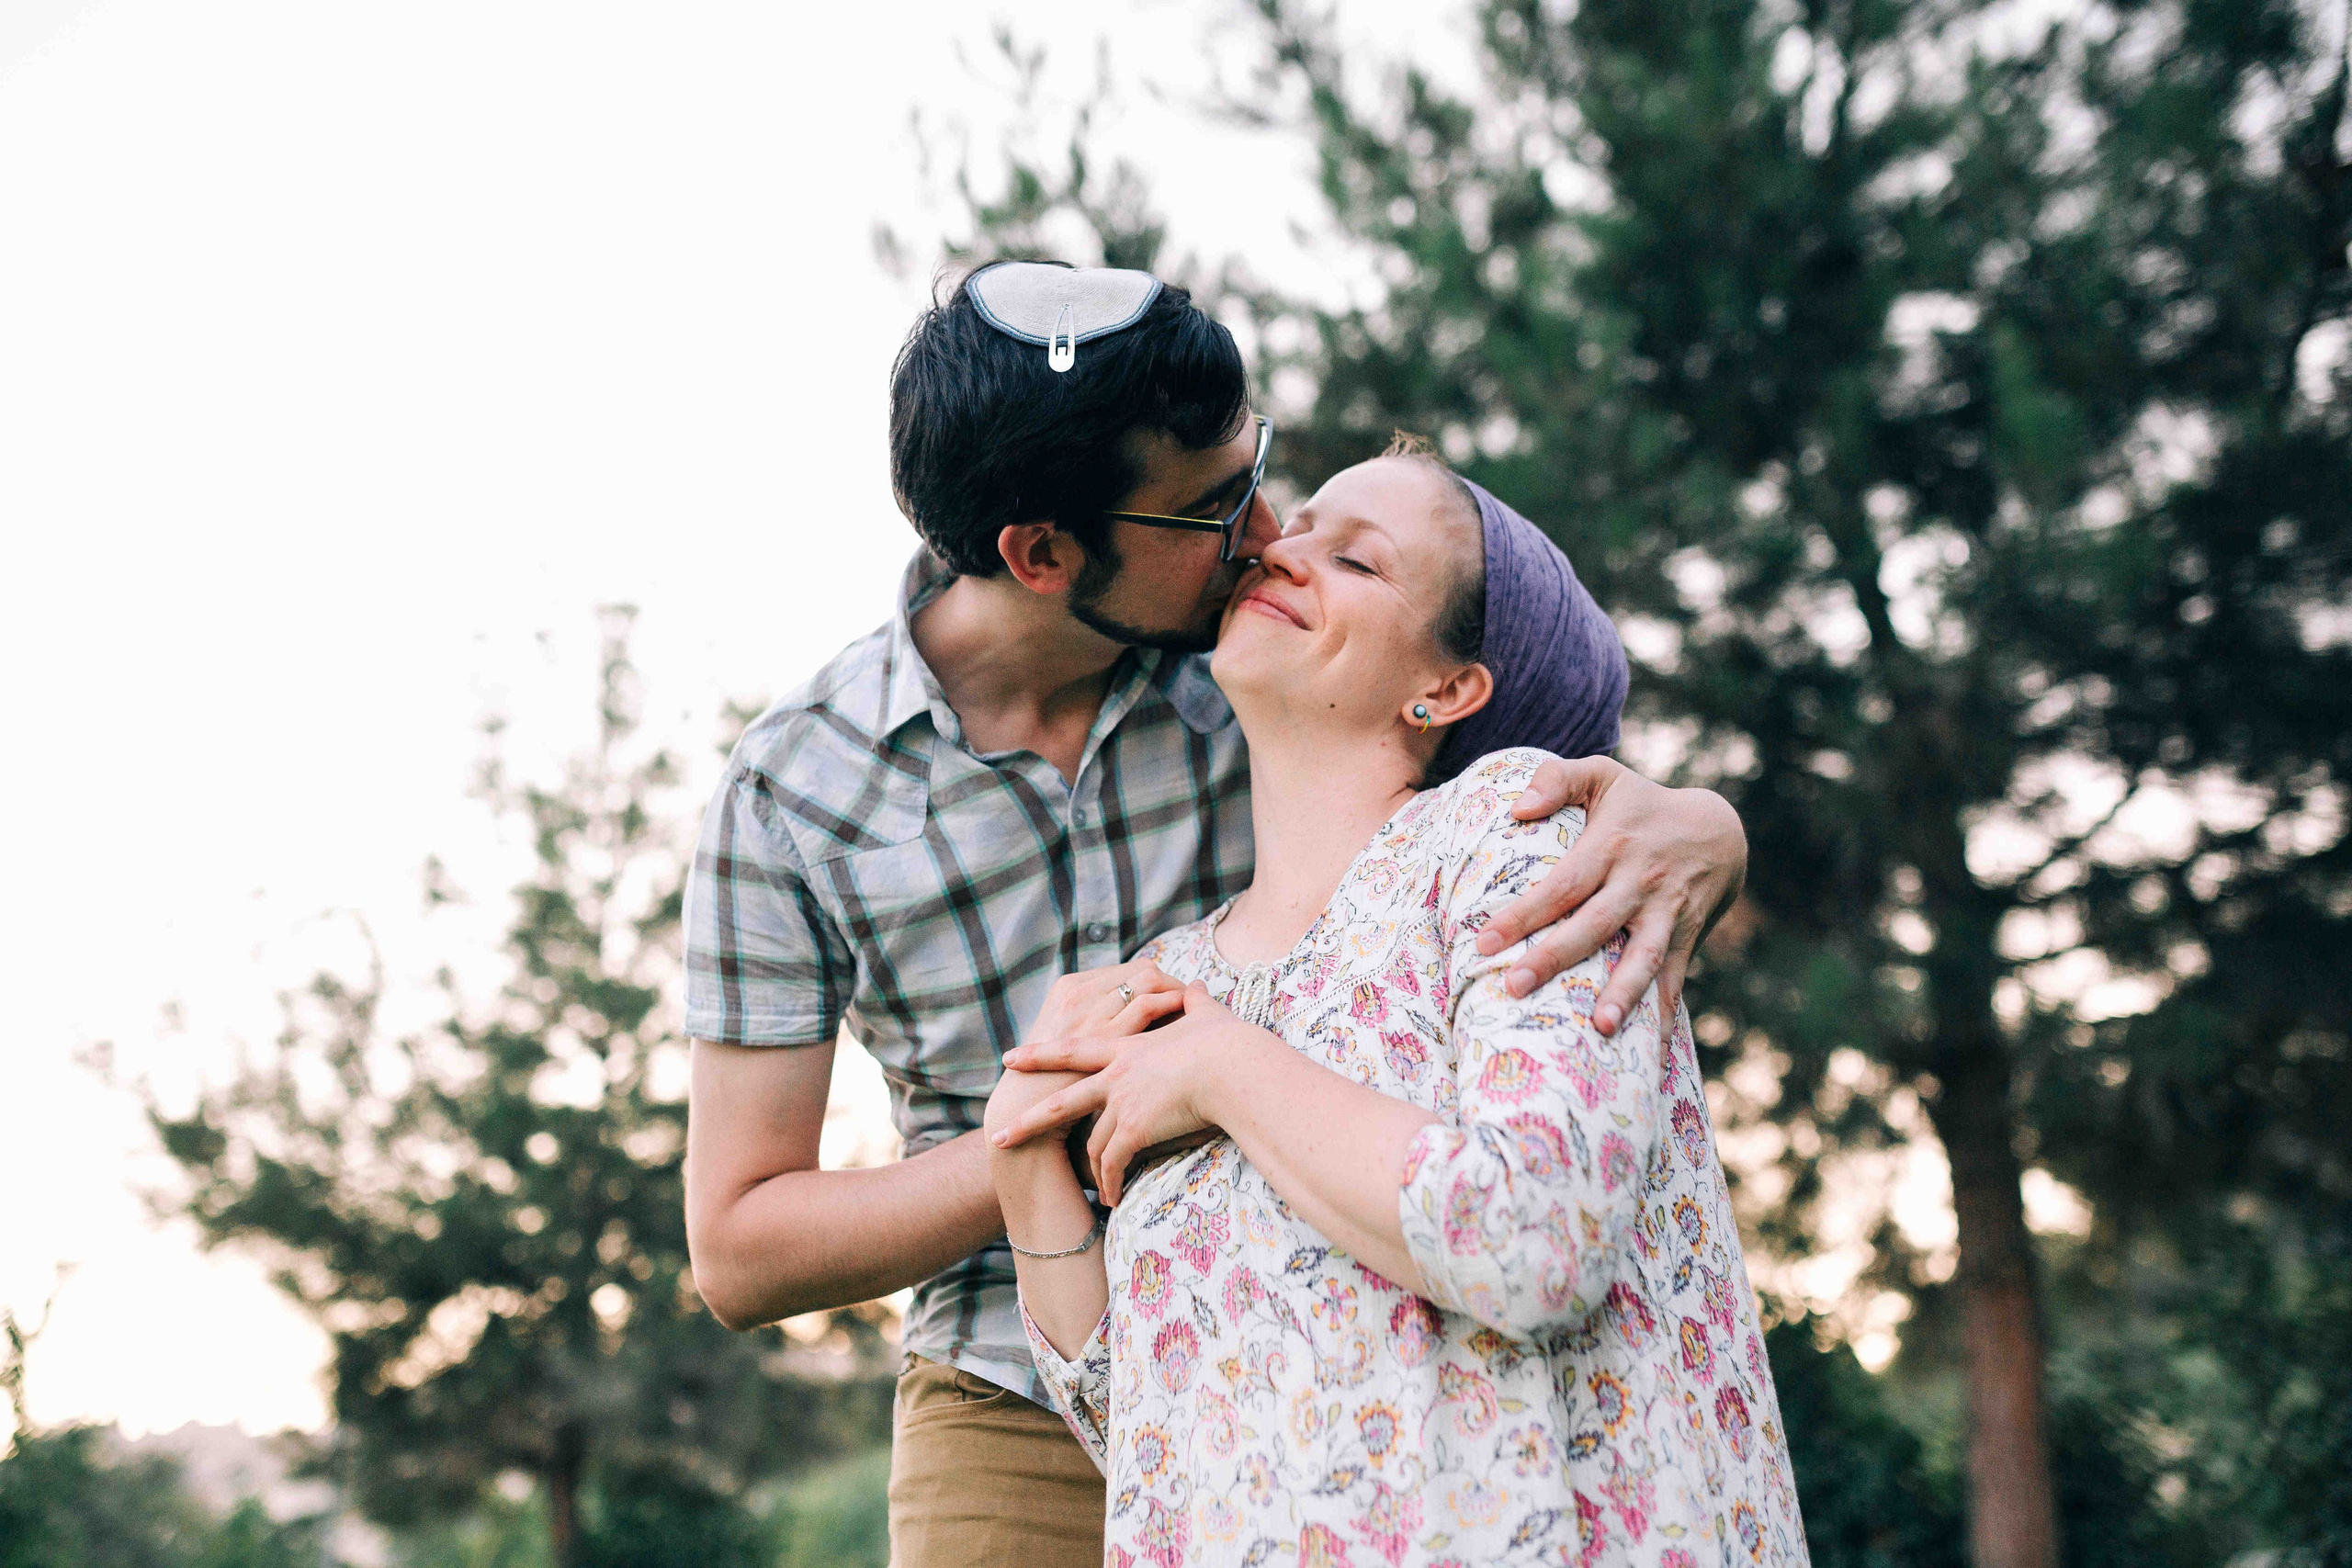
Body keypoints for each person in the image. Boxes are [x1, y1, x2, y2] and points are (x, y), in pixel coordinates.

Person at [681, 263, 1752, 1568]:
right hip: (1020, 1380)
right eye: (1214, 507)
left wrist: (1704, 821)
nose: (1264, 531)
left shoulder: (1262, 658)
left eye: (1261, 475)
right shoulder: (798, 790)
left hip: (1379, 1327)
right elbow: (737, 1242)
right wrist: (1065, 1122)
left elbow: (1498, 725)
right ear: (1042, 551)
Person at [986, 446, 1806, 1566]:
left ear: (1448, 688)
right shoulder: (1171, 980)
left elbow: (1535, 1234)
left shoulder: (1524, 852)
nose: (1279, 548)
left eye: (1358, 560)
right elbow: (1153, 1437)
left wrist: (1226, 1072)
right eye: (1300, 525)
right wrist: (1023, 1159)